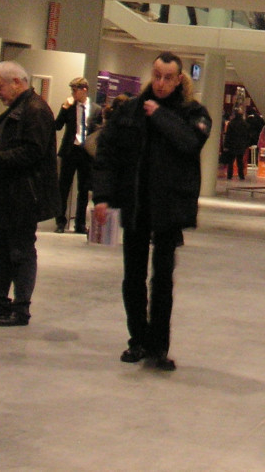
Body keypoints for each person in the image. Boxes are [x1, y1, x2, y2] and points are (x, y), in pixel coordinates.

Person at [93, 54, 210, 371]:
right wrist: (102, 197)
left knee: (162, 281)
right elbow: (106, 153)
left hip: (169, 209)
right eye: (157, 75)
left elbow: (190, 142)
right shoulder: (130, 110)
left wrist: (159, 115)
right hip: (136, 206)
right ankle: (138, 340)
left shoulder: (192, 113)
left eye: (167, 77)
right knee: (133, 276)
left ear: (179, 79)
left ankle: (158, 347)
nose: (160, 83)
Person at [0, 62, 58, 328]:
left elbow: (33, 152)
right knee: (3, 251)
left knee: (20, 251)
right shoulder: (17, 110)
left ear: (17, 82)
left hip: (24, 195)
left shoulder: (36, 110)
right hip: (6, 193)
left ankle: (20, 308)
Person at [52, 76, 92, 234]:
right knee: (64, 187)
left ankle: (80, 224)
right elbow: (57, 125)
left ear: (84, 90)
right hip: (70, 150)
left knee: (84, 189)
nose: (73, 93)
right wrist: (64, 107)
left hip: (86, 152)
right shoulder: (69, 107)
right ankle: (60, 221)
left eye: (75, 90)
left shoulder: (94, 108)